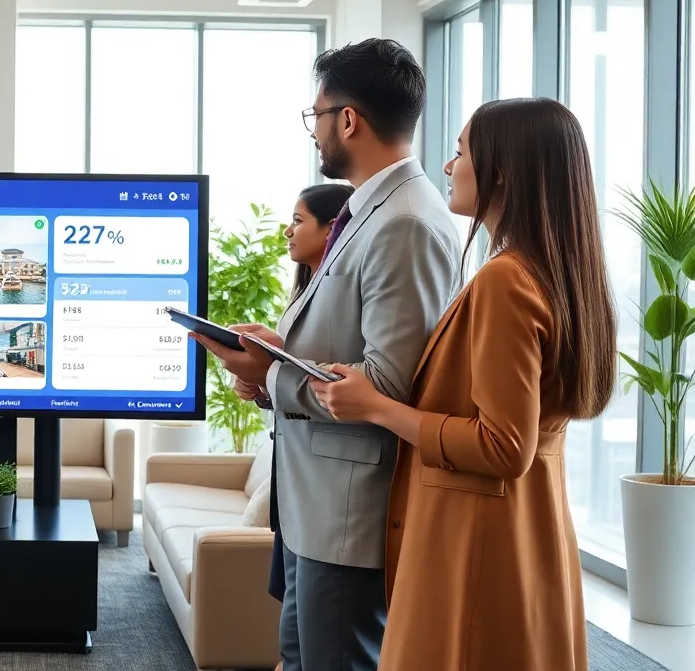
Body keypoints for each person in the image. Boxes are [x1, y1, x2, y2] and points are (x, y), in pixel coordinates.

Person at [309, 98, 615, 670]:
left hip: (477, 538)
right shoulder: (559, 276)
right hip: (531, 530)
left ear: (503, 170)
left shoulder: (506, 280)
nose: (449, 167)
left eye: (460, 152)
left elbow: (503, 446)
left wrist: (376, 406)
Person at [191, 38, 461, 670]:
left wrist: (274, 375)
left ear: (348, 119)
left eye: (315, 115)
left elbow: (388, 387)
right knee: (301, 656)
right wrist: (280, 354)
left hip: (349, 516)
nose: (313, 131)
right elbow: (345, 347)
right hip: (313, 502)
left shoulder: (406, 224)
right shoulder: (365, 213)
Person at [235, 183, 354, 671]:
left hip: (325, 492)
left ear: (332, 230)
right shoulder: (303, 293)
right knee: (294, 641)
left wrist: (269, 376)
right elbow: (296, 387)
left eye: (299, 220)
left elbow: (340, 390)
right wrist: (264, 387)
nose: (287, 229)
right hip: (296, 492)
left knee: (319, 646)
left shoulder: (338, 297)